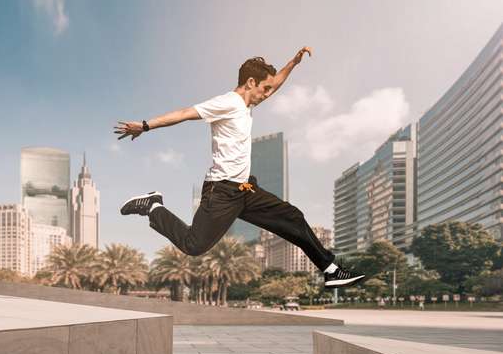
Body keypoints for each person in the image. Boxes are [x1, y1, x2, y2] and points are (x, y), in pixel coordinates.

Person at [114, 48, 365, 288]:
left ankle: (330, 271)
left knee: (293, 217)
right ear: (250, 83)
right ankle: (153, 206)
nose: (268, 94)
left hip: (245, 189)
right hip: (221, 191)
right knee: (194, 245)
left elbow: (275, 83)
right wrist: (145, 126)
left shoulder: (248, 105)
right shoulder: (227, 102)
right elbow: (185, 113)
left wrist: (293, 63)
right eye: (264, 89)